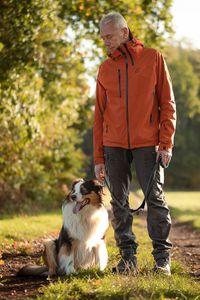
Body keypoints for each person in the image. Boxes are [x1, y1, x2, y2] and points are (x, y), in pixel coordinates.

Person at [93, 12, 176, 276]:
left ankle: (162, 259)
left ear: (124, 32)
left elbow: (167, 104)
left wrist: (166, 143)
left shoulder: (153, 58)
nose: (105, 41)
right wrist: (98, 158)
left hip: (148, 143)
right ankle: (128, 258)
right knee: (118, 202)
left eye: (109, 36)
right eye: (103, 37)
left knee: (155, 198)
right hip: (113, 144)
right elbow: (99, 115)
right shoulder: (105, 68)